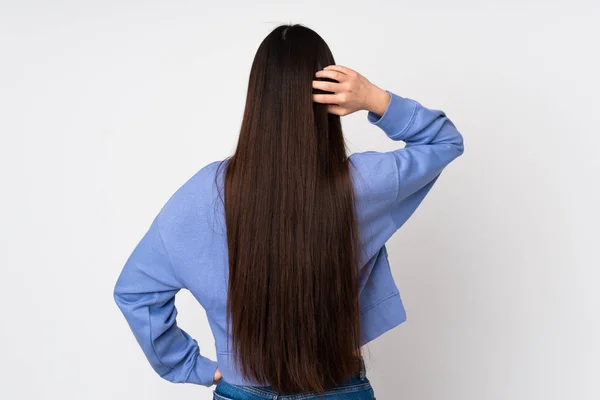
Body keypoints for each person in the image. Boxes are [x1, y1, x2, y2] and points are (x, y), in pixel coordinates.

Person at [113, 23, 464, 399]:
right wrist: (375, 99)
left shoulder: (204, 193)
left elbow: (136, 292)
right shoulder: (364, 184)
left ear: (257, 97)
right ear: (329, 98)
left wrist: (189, 365)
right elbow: (444, 140)